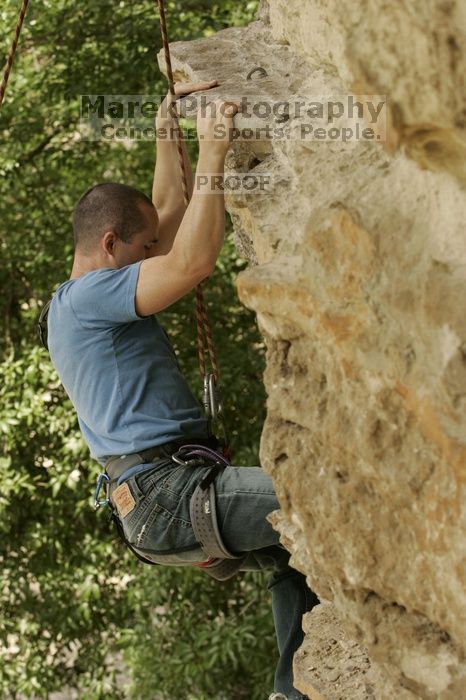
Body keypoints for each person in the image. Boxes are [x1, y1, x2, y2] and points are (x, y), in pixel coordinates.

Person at [46, 79, 318, 700]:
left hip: (151, 506)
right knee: (318, 502)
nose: (154, 254)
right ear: (110, 246)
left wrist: (169, 125)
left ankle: (292, 691)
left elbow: (167, 220)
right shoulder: (91, 296)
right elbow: (192, 260)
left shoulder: (74, 301)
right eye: (142, 251)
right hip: (167, 494)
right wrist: (214, 151)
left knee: (287, 552)